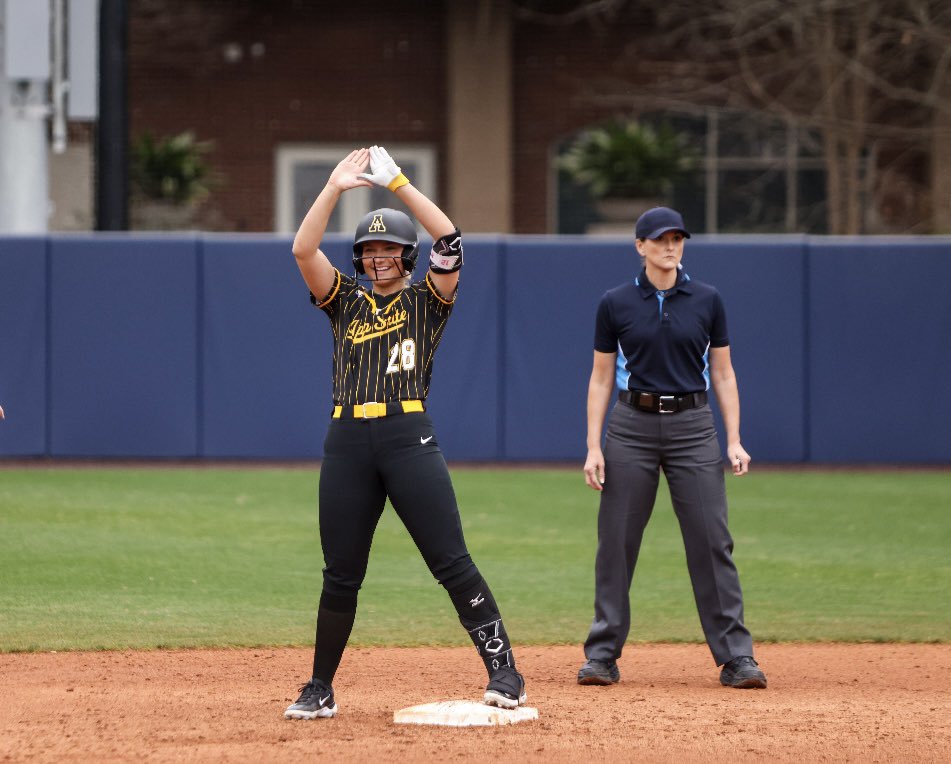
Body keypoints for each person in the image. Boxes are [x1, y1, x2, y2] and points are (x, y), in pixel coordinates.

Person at [283, 146, 526, 720]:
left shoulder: (428, 301)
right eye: (369, 249)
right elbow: (302, 249)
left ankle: (505, 671)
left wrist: (397, 185)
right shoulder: (344, 301)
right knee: (340, 572)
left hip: (406, 434)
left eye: (389, 247)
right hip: (346, 442)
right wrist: (335, 188)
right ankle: (320, 686)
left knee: (450, 559)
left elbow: (452, 241)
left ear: (407, 254)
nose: (378, 257)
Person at [577, 206, 767, 690]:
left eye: (678, 238)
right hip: (631, 426)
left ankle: (736, 658)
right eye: (660, 239)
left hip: (693, 426)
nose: (670, 246)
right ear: (639, 246)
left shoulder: (707, 299)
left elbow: (723, 372)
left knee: (711, 540)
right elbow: (601, 379)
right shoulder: (615, 302)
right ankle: (602, 655)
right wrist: (592, 446)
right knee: (616, 542)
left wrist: (735, 438)